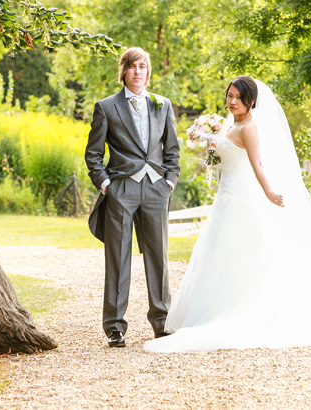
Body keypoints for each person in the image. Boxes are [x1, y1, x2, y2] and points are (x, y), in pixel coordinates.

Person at [144, 76, 311, 353]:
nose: (231, 102)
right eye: (229, 96)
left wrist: (269, 192)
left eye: (238, 98)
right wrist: (208, 143)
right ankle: (217, 306)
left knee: (246, 252)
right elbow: (216, 163)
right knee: (219, 254)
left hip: (243, 196)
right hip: (225, 198)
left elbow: (258, 164)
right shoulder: (229, 124)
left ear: (251, 102)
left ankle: (243, 307)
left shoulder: (249, 128)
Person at [85, 47, 181, 348]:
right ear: (124, 71)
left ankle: (161, 322)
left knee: (158, 257)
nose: (138, 71)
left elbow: (172, 150)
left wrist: (169, 182)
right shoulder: (106, 107)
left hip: (155, 189)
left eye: (143, 66)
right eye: (133, 66)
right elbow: (93, 154)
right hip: (121, 190)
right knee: (118, 258)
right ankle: (115, 327)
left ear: (148, 72)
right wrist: (106, 186)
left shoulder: (162, 105)